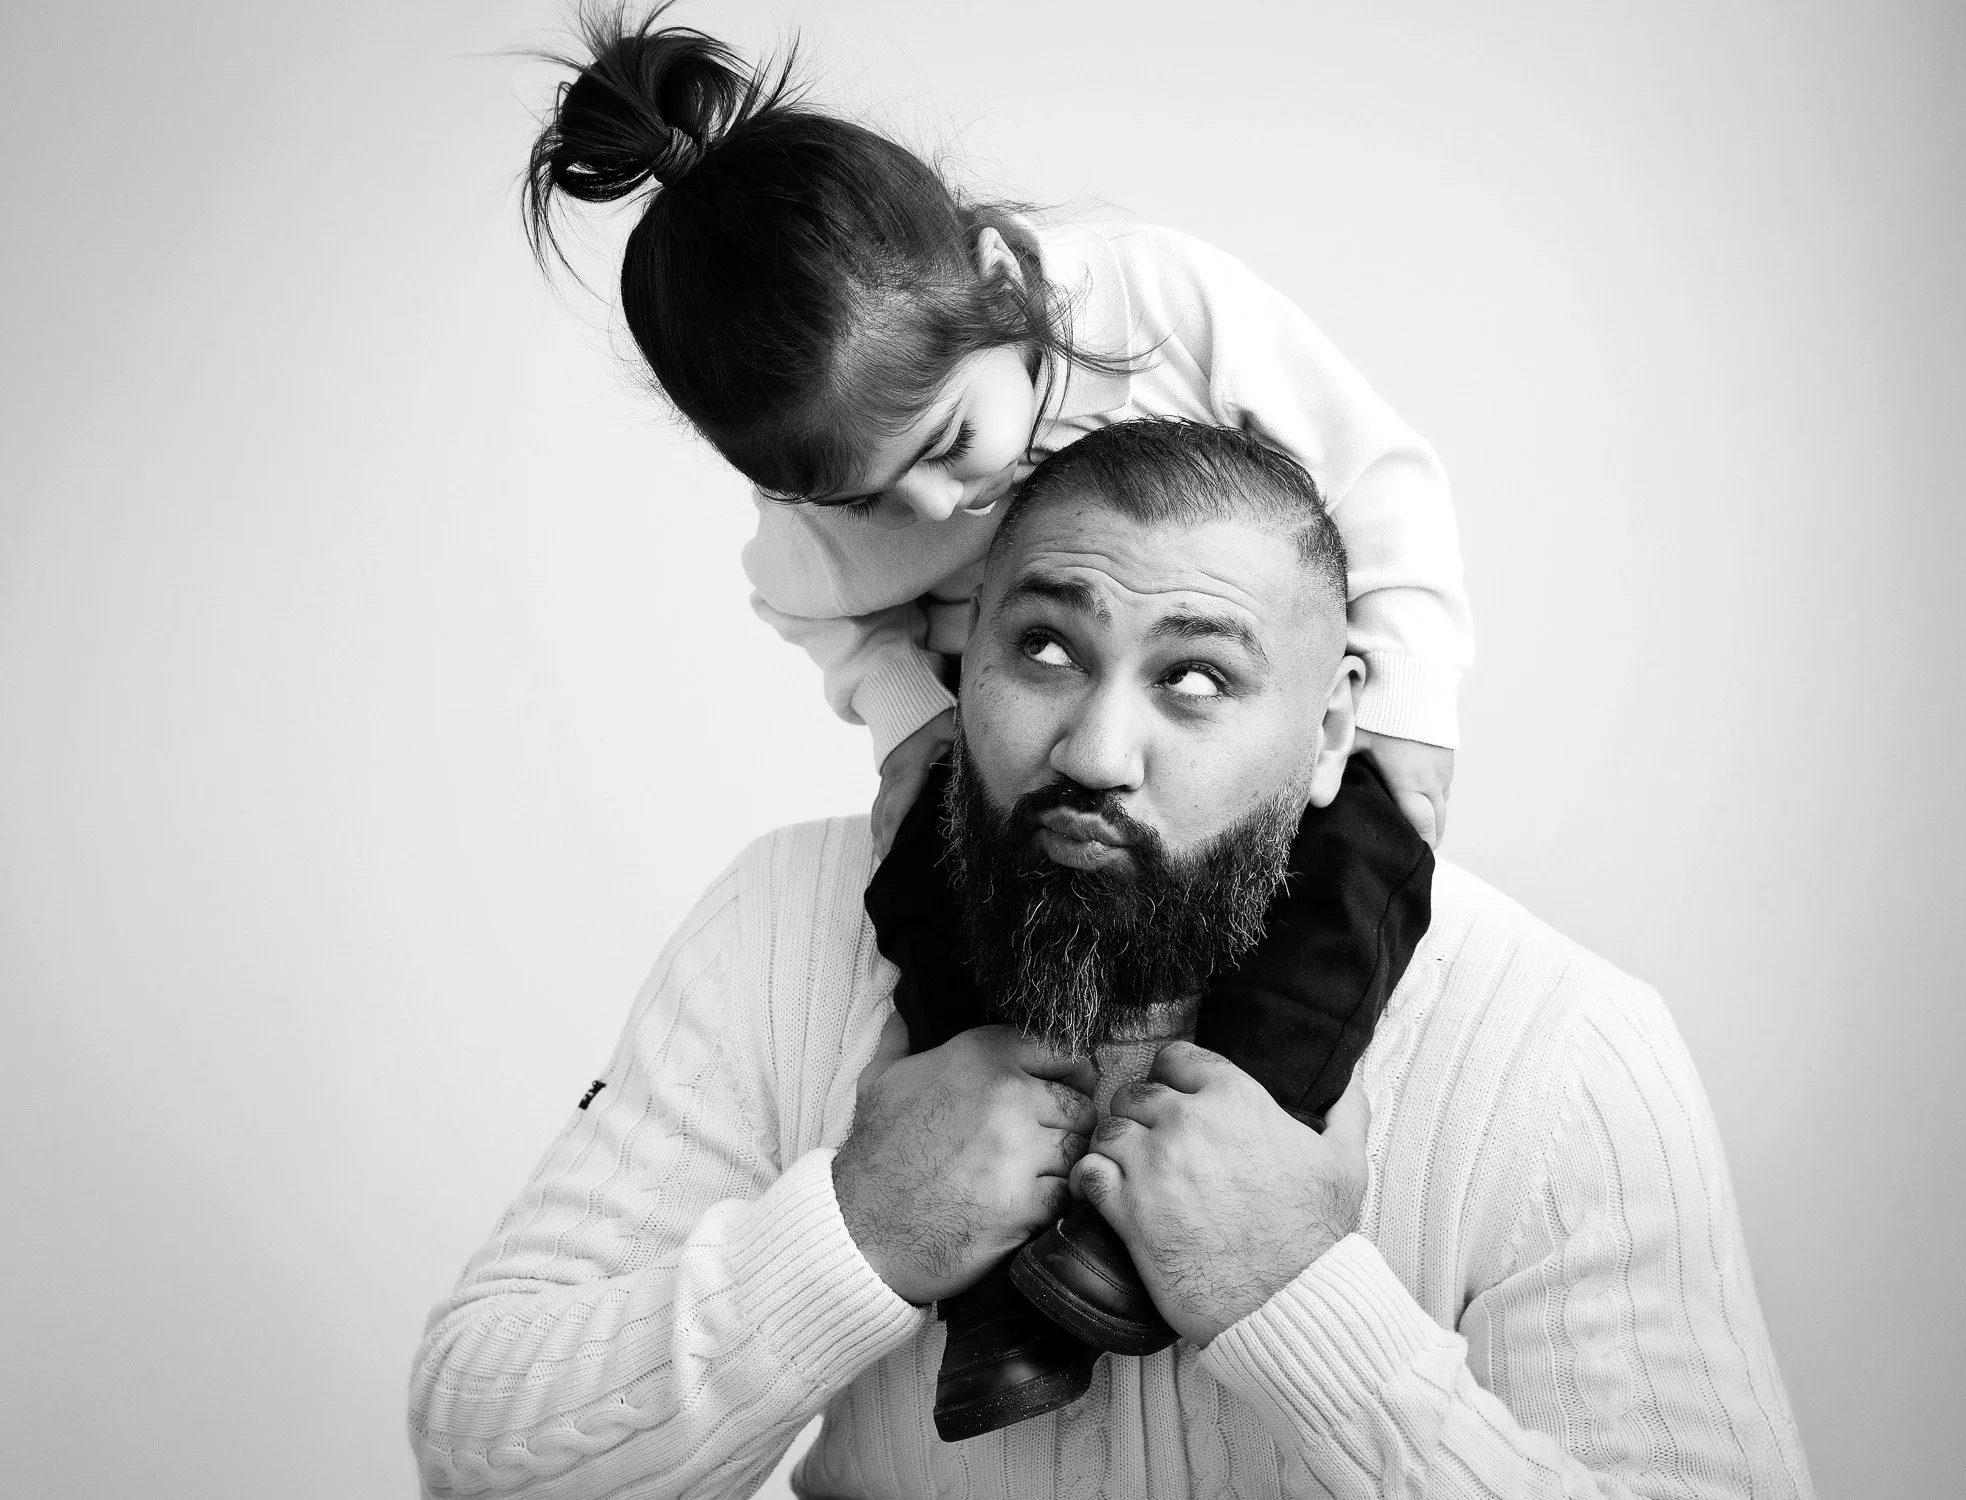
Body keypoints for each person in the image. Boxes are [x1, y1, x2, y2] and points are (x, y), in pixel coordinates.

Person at [409, 420, 1813, 1498]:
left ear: (1331, 737)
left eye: (1194, 678)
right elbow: (482, 1449)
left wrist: (1303, 1304)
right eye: (1044, 649)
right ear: (959, 669)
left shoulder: (1562, 1050)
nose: (1094, 752)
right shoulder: (784, 923)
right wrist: (851, 1237)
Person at [521, 4, 1471, 855]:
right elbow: (812, 609)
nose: (931, 503)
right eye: (862, 498)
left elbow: (1376, 478)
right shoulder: (814, 527)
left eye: (943, 440)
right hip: (1025, 763)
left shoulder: (1156, 301)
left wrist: (1409, 698)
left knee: (1366, 863)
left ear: (1002, 287)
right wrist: (907, 720)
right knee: (923, 870)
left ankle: (1260, 1061)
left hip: (1247, 725)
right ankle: (945, 1053)